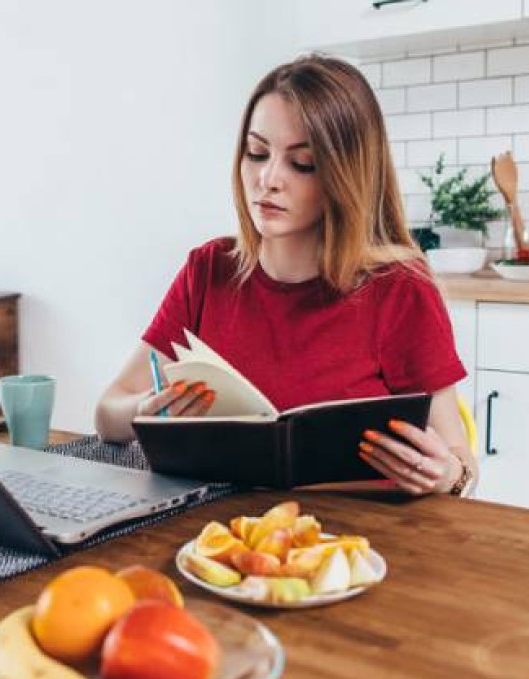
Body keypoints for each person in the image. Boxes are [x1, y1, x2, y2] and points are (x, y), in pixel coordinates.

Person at [95, 55, 477, 497]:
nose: (267, 179)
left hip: (352, 548)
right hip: (218, 538)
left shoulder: (399, 288)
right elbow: (106, 413)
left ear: (345, 175)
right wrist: (147, 411)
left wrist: (449, 474)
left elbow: (460, 461)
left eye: (303, 163)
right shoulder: (208, 271)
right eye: (257, 153)